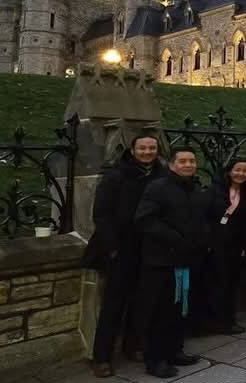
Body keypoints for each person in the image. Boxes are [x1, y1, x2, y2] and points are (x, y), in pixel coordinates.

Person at [83, 135, 166, 378]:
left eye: (152, 148)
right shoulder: (116, 176)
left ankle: (133, 345)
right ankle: (101, 357)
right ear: (132, 150)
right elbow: (102, 214)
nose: (147, 152)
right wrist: (112, 248)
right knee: (113, 305)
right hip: (121, 248)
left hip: (150, 249)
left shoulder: (161, 176)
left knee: (142, 302)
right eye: (142, 148)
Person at [134, 147, 209, 379]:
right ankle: (155, 359)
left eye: (192, 161)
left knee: (179, 308)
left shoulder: (194, 189)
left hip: (185, 259)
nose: (188, 165)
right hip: (161, 261)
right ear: (172, 164)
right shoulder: (158, 187)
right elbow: (144, 219)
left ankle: (175, 350)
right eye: (183, 161)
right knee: (159, 311)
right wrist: (175, 238)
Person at [207, 158, 246, 335]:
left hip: (236, 244)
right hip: (215, 244)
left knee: (231, 283)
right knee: (217, 283)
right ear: (229, 171)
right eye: (238, 170)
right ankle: (215, 320)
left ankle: (227, 320)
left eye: (245, 171)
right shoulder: (215, 190)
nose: (241, 174)